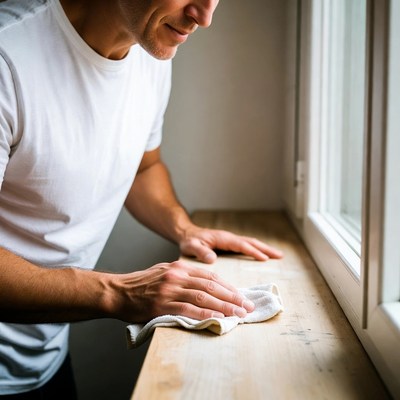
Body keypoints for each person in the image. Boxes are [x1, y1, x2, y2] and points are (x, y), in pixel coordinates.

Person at [0, 0, 283, 397]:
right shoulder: (8, 58)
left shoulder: (150, 48)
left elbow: (143, 168)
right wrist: (119, 293)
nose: (204, 16)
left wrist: (183, 228)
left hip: (45, 362)